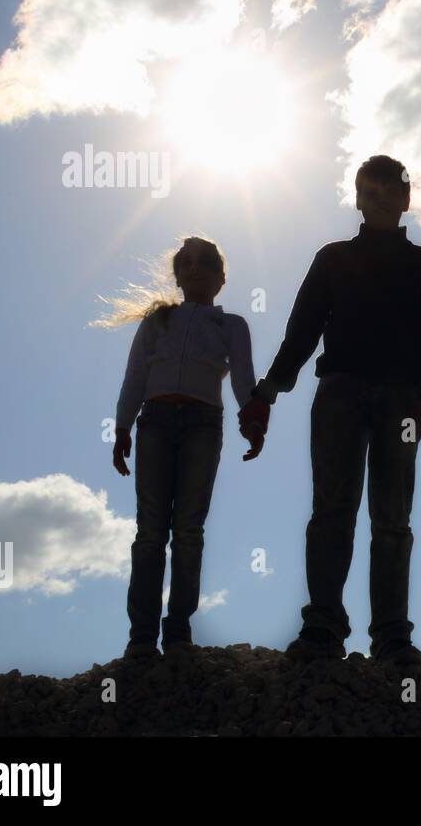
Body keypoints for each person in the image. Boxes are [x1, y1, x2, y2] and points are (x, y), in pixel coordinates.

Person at [239, 155, 421, 667]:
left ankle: (392, 636)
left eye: (387, 193)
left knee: (392, 516)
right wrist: (267, 392)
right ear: (357, 199)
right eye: (368, 193)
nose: (377, 201)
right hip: (340, 392)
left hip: (402, 396)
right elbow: (302, 332)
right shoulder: (332, 258)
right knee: (333, 509)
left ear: (405, 200)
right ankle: (323, 628)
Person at [99, 236, 263, 659]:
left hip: (203, 426)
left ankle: (178, 631)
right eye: (187, 263)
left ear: (221, 277)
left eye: (205, 263)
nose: (195, 269)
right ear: (176, 274)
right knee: (150, 531)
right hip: (154, 422)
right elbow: (135, 376)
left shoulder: (231, 326)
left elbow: (244, 379)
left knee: (188, 530)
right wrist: (121, 429)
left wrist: (254, 420)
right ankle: (141, 637)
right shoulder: (156, 322)